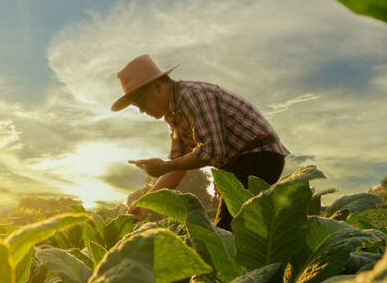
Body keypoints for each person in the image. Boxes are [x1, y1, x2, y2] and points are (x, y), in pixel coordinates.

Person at [112, 54, 289, 229]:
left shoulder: (192, 96)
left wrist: (165, 166)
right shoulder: (174, 115)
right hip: (240, 163)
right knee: (238, 231)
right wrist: (145, 204)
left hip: (259, 157)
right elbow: (177, 166)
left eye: (141, 103)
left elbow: (212, 151)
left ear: (157, 87)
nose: (142, 111)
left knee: (227, 233)